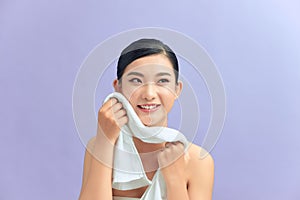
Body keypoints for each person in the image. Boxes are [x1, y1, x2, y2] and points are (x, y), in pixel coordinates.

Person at [78, 39, 214, 200]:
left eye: (162, 81)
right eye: (136, 80)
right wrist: (105, 141)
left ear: (177, 89)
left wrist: (175, 181)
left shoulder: (197, 160)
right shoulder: (98, 145)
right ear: (118, 87)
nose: (149, 94)